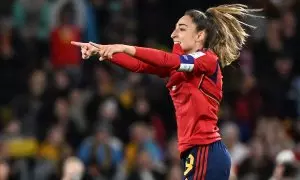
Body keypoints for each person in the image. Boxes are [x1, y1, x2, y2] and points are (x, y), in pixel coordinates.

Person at [71, 4, 261, 180]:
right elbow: (140, 65)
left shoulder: (206, 59)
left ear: (200, 35)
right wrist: (103, 50)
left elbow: (168, 60)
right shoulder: (181, 68)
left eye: (182, 28)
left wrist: (125, 47)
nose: (173, 34)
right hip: (195, 151)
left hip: (206, 149)